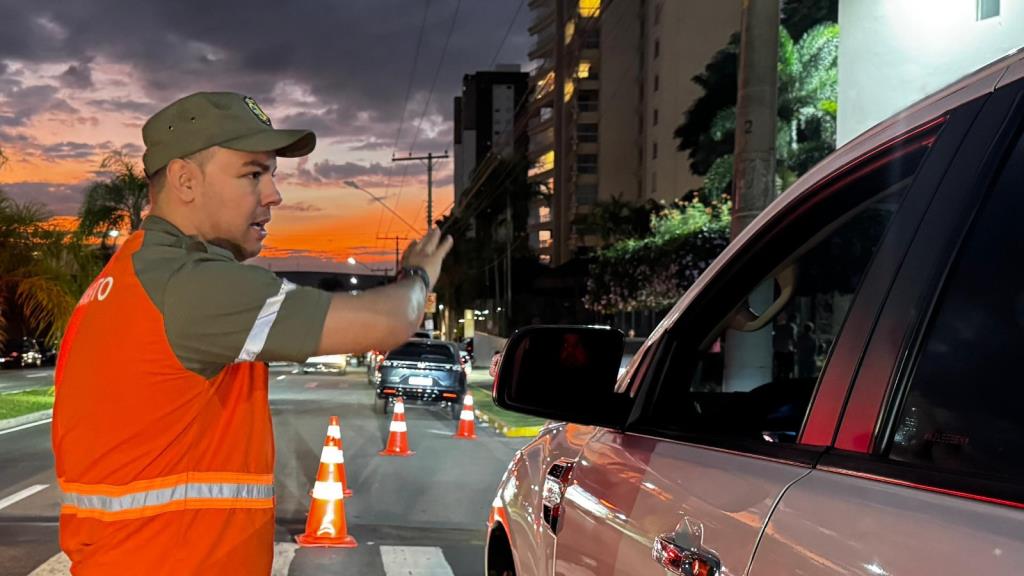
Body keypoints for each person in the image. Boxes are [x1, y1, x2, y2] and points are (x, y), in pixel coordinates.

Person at [51, 92, 453, 575]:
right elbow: (389, 321)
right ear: (185, 180)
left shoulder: (124, 277)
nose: (273, 195)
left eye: (272, 175)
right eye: (252, 174)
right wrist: (418, 275)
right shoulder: (191, 285)